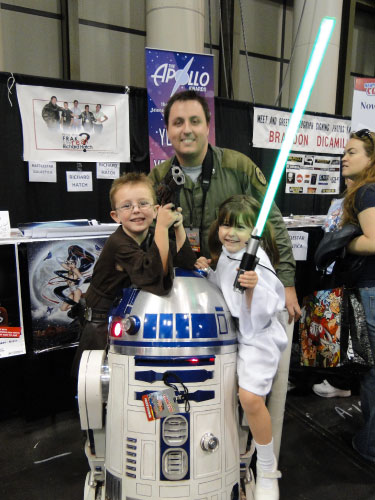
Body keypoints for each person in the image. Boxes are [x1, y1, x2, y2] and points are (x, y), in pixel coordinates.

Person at [148, 90, 301, 324]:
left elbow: (273, 224)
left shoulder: (238, 167)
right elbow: (145, 236)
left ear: (207, 126)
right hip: (178, 294)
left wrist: (287, 283)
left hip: (234, 293)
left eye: (195, 121)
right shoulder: (157, 179)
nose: (186, 129)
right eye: (178, 122)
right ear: (167, 130)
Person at [195, 195, 287, 500]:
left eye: (241, 227)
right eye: (226, 224)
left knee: (249, 398)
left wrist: (252, 289)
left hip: (258, 338)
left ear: (254, 231)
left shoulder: (257, 263)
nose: (230, 232)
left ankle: (268, 468)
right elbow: (224, 288)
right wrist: (207, 272)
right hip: (236, 335)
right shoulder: (226, 254)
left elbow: (259, 317)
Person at [72, 172, 196, 376]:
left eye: (143, 203)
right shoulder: (119, 244)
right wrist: (162, 229)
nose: (136, 210)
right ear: (115, 215)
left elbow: (186, 262)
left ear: (155, 210)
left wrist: (178, 226)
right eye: (127, 206)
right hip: (101, 328)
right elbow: (154, 278)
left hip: (125, 320)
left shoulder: (148, 238)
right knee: (95, 387)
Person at [339, 128, 375, 463]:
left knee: (372, 370)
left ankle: (370, 444)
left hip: (371, 289)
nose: (344, 157)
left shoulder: (367, 193)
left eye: (352, 152)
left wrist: (342, 242)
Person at [312, 178, 354, 398]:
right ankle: (332, 377)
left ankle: (342, 381)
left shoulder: (363, 199)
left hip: (347, 274)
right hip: (329, 271)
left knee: (343, 332)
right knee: (326, 328)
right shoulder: (340, 199)